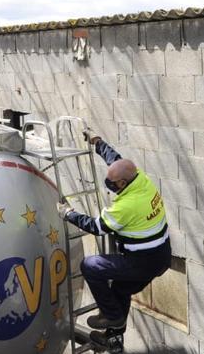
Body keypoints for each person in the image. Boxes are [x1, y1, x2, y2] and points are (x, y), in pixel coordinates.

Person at [58, 130, 171, 335]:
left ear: (122, 184)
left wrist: (69, 213)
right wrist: (97, 142)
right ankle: (115, 331)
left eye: (113, 184)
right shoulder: (140, 179)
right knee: (121, 288)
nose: (110, 186)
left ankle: (111, 316)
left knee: (90, 266)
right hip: (161, 256)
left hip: (142, 261)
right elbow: (115, 160)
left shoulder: (127, 205)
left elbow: (97, 227)